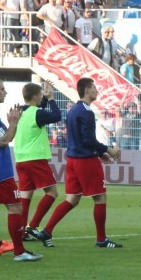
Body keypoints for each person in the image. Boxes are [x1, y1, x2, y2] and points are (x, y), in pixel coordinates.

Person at [31, 78, 122, 248]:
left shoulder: (73, 109)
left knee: (72, 198)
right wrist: (107, 150)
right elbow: (88, 139)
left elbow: (80, 138)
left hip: (73, 159)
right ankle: (101, 239)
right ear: (87, 90)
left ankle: (46, 231)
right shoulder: (86, 111)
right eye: (94, 88)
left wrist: (99, 152)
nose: (97, 91)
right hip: (85, 161)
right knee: (100, 197)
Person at [0, 78, 42, 262]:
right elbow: (4, 141)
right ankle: (19, 252)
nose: (5, 92)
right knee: (15, 208)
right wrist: (14, 123)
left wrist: (11, 125)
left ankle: (8, 248)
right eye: (2, 89)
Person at [14, 82, 61, 246]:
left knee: (25, 196)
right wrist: (52, 99)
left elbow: (38, 110)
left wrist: (45, 98)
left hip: (20, 158)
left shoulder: (21, 111)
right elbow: (56, 116)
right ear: (35, 96)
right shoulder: (37, 113)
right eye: (40, 95)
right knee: (52, 192)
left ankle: (21, 232)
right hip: (35, 158)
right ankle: (32, 226)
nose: (42, 97)